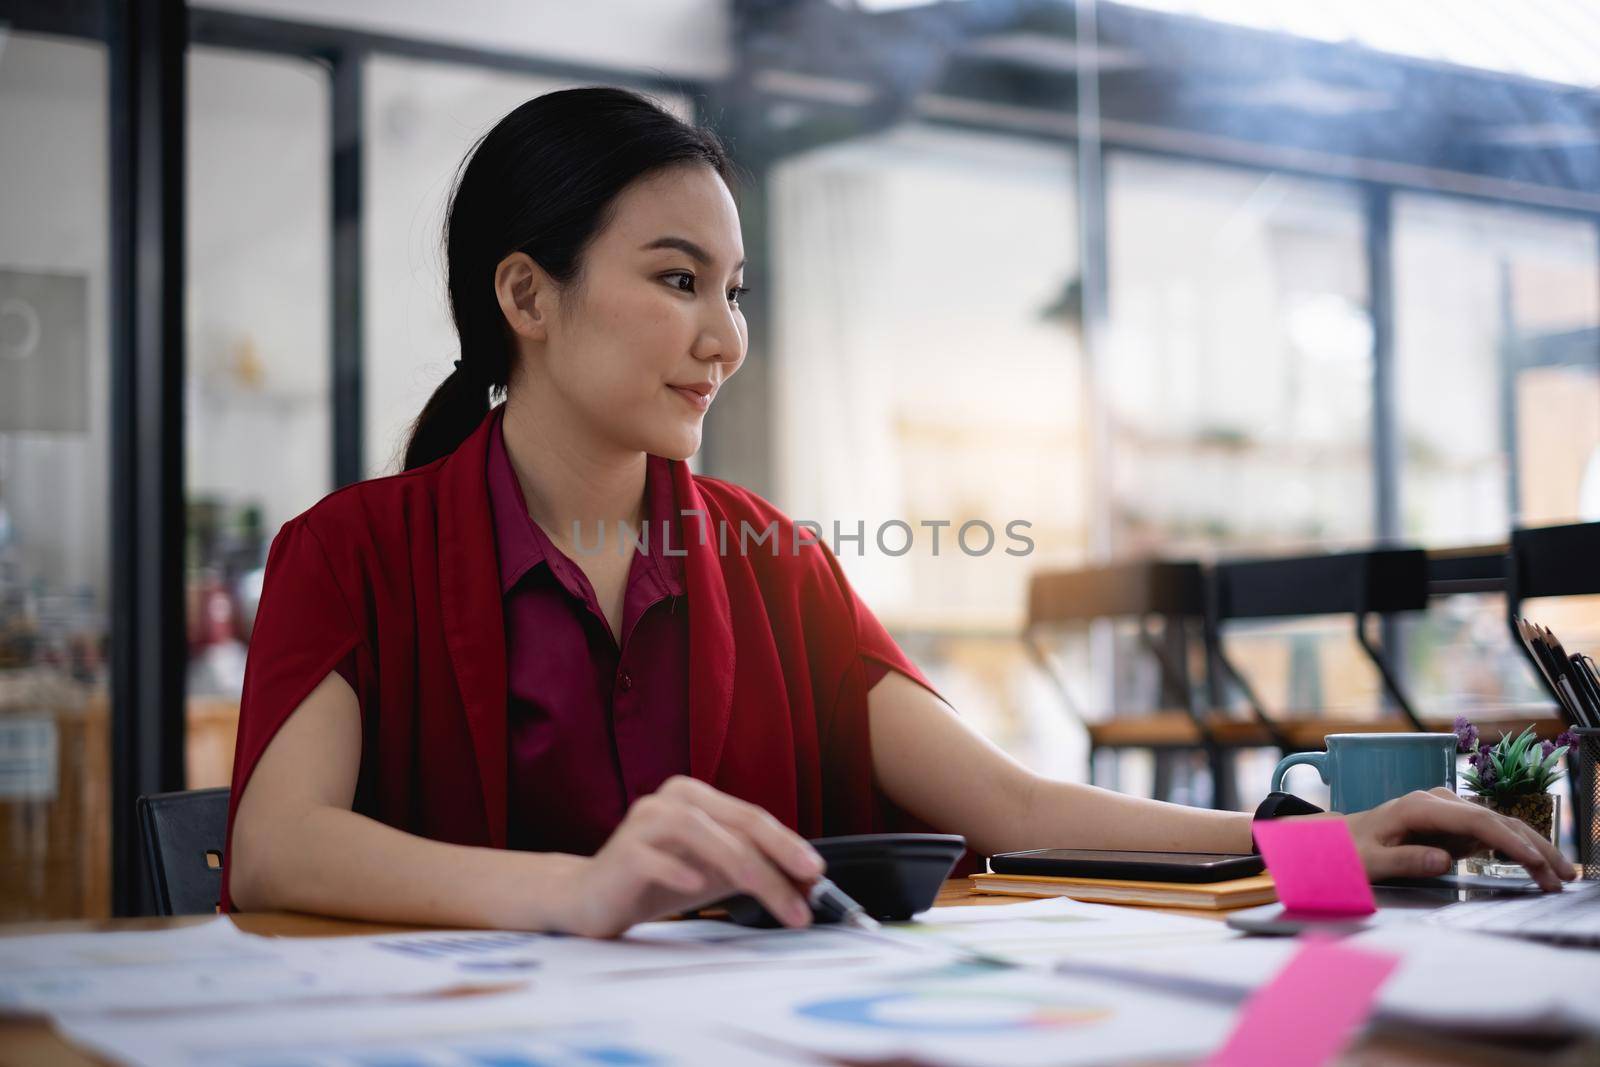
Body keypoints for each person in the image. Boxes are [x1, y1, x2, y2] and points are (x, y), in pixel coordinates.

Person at [225, 87, 1573, 940]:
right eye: (679, 280)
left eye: (737, 291)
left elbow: (1004, 800)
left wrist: (1308, 840)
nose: (725, 337)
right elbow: (282, 851)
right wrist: (577, 893)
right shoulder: (350, 552)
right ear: (527, 297)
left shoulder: (776, 561)